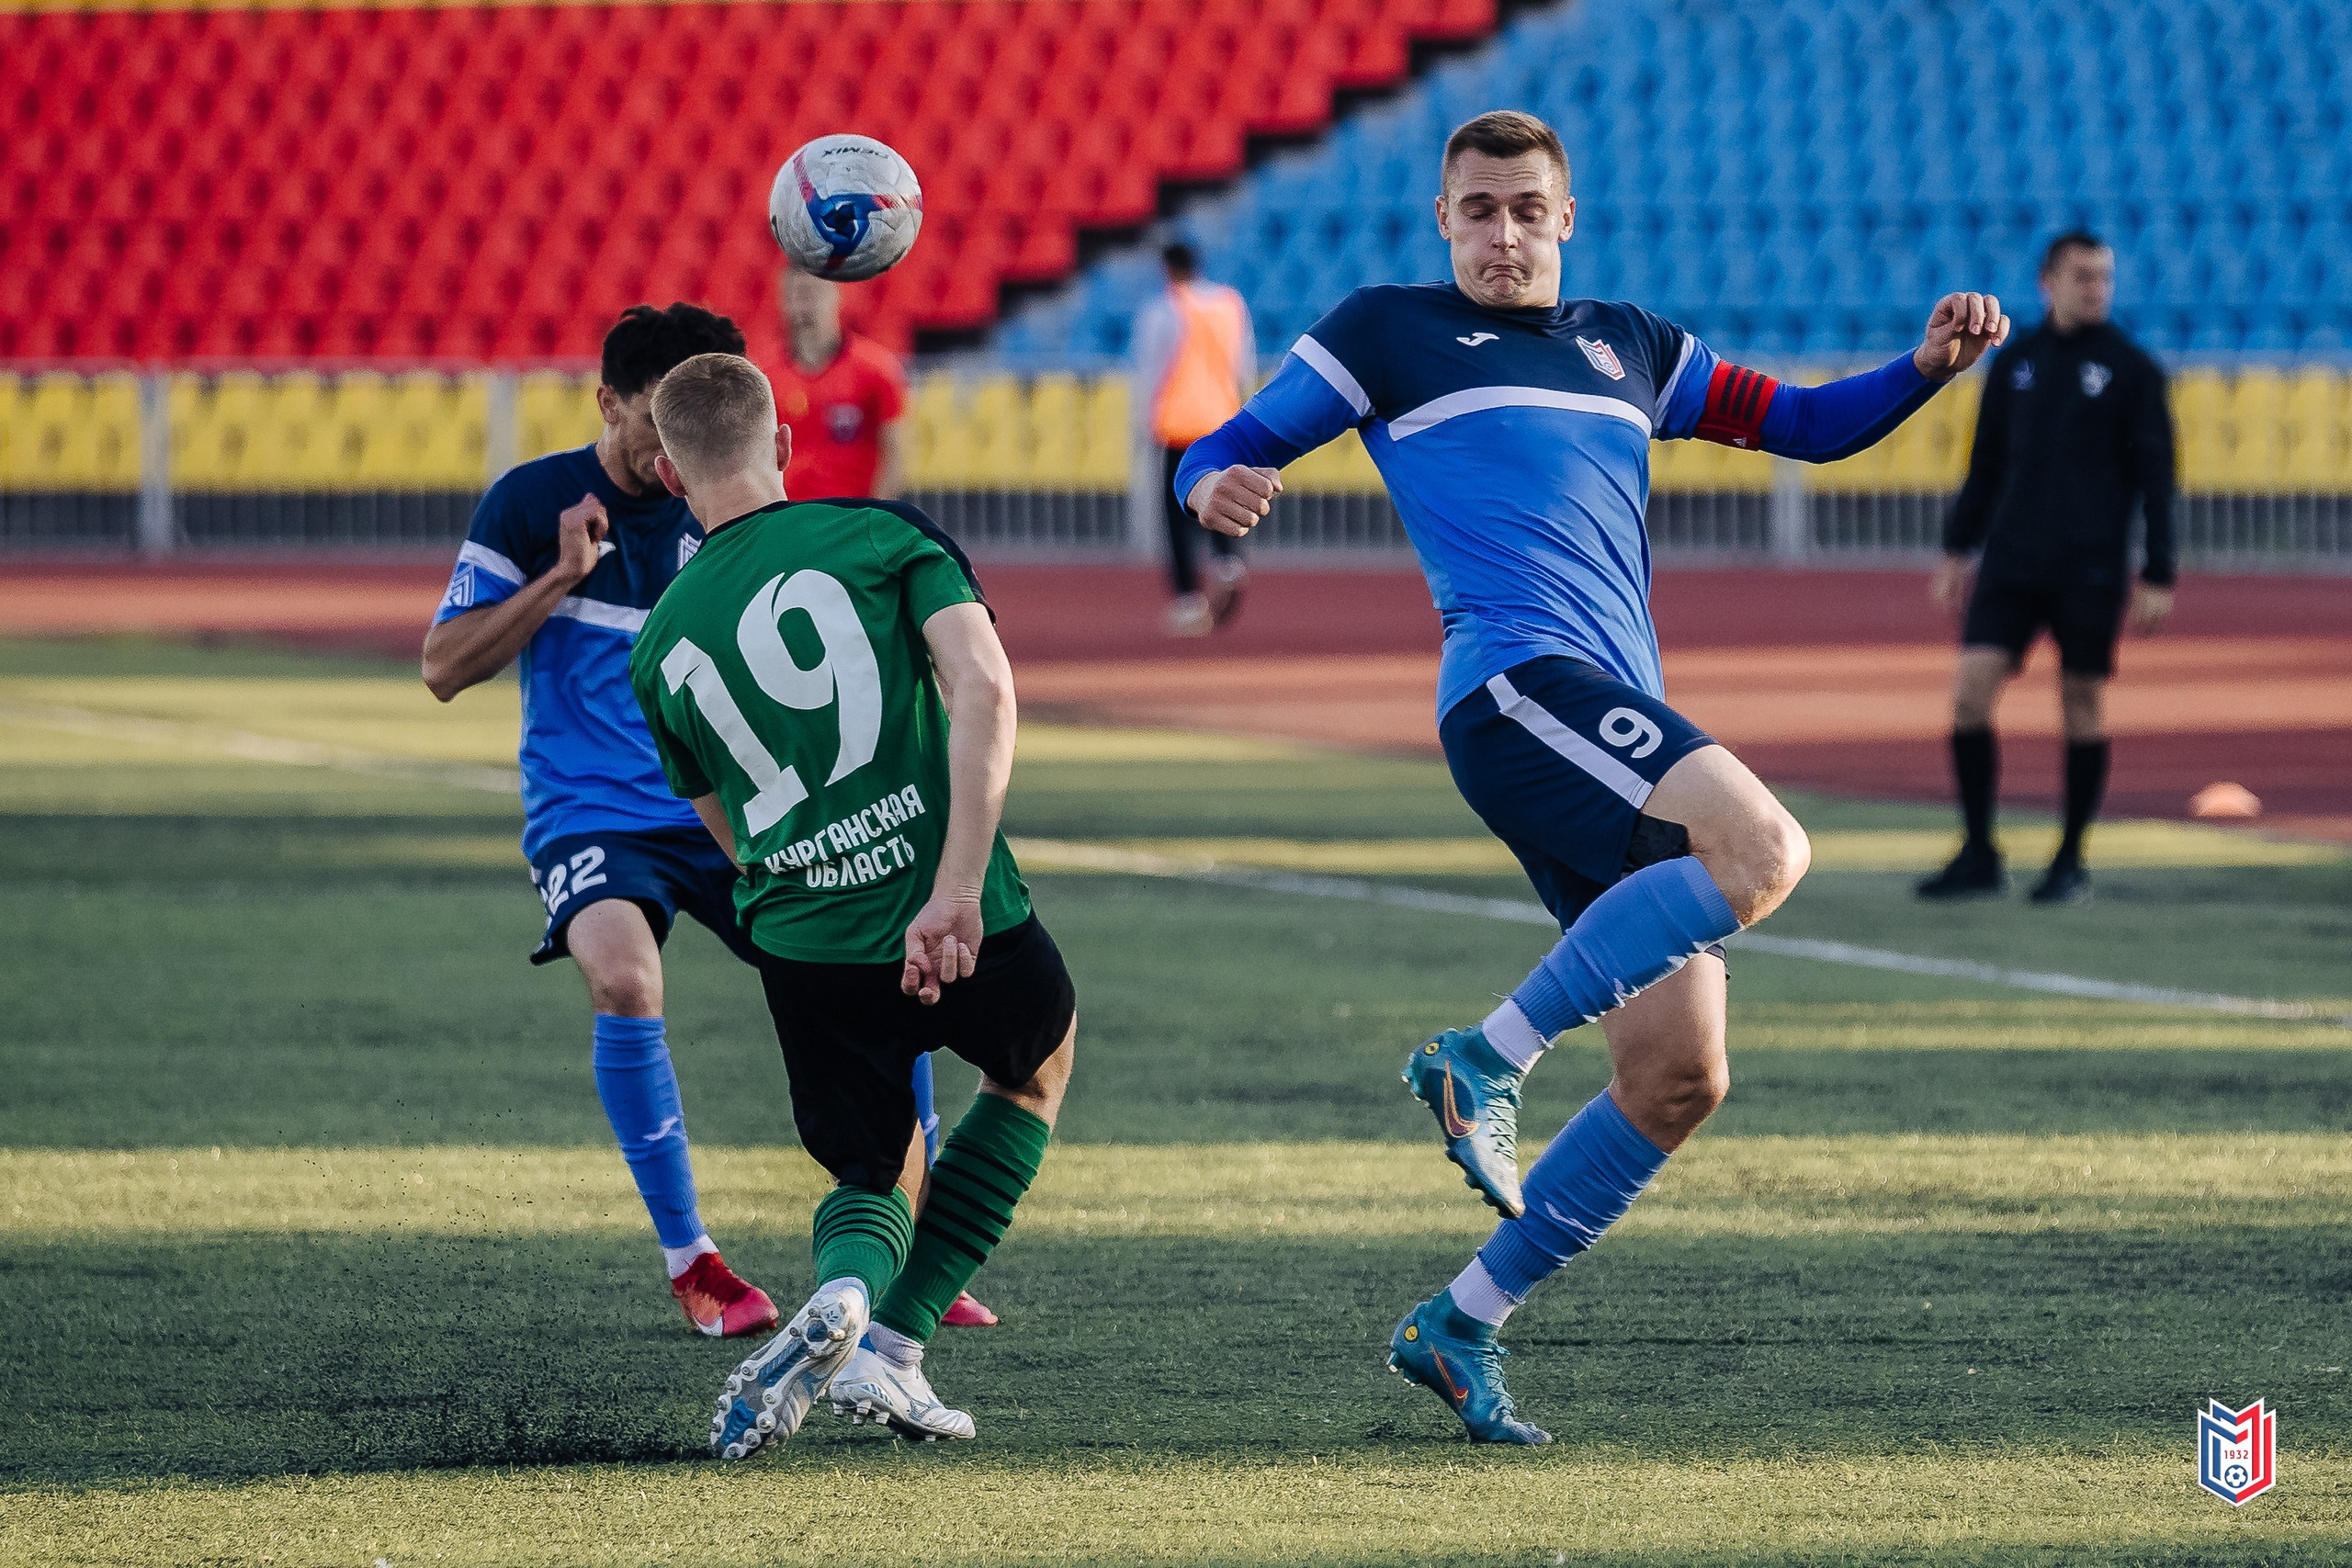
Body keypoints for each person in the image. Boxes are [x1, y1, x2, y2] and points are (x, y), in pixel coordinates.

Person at [1175, 111, 2007, 1444]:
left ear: (1567, 220)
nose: (1500, 233)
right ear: (1441, 221)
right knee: (1765, 851)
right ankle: (1480, 1059)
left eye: (1524, 209)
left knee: (1680, 1073)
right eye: (1476, 210)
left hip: (1612, 716)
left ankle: (1460, 1322)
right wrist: (1210, 483)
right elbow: (1227, 440)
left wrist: (1923, 366)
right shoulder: (1386, 330)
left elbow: (1805, 426)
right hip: (1517, 689)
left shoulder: (1635, 345)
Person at [422, 304, 989, 1341]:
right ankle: (695, 1263)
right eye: (652, 426)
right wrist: (558, 579)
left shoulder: (729, 513)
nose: (671, 451)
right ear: (609, 405)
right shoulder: (531, 502)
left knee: (881, 972)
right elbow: (442, 669)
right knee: (626, 977)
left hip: (734, 812)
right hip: (593, 812)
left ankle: (910, 1236)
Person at [627, 352, 1077, 1456]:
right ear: (781, 445)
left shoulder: (658, 643)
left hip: (807, 937)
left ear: (671, 477)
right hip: (951, 895)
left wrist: (818, 881)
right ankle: (897, 1343)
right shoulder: (885, 539)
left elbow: (727, 828)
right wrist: (953, 890)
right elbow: (984, 686)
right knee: (1032, 1068)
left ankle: (841, 1297)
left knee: (872, 1165)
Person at [1917, 231, 2177, 906]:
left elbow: (2158, 479)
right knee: (1970, 692)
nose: (2097, 288)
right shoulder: (2017, 361)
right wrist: (1957, 548)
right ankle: (1979, 850)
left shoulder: (2133, 369)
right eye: (2083, 276)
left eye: (2104, 277)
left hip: (2088, 565)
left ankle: (2070, 859)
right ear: (2048, 282)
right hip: (2011, 558)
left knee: (2081, 700)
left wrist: (2159, 572)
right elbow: (1986, 463)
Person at [1135, 242, 1256, 637]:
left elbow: (1152, 372)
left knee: (1177, 513)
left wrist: (1141, 424)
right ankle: (1227, 563)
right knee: (1220, 497)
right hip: (1221, 421)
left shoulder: (1163, 310)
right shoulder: (1229, 304)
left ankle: (1188, 598)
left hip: (1177, 425)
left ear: (1168, 268)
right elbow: (1243, 365)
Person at [773, 266, 908, 502]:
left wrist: (874, 516)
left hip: (851, 521)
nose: (805, 305)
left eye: (813, 293)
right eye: (796, 294)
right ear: (782, 302)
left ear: (836, 295)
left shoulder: (876, 368)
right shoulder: (765, 374)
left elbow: (896, 451)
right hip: (790, 521)